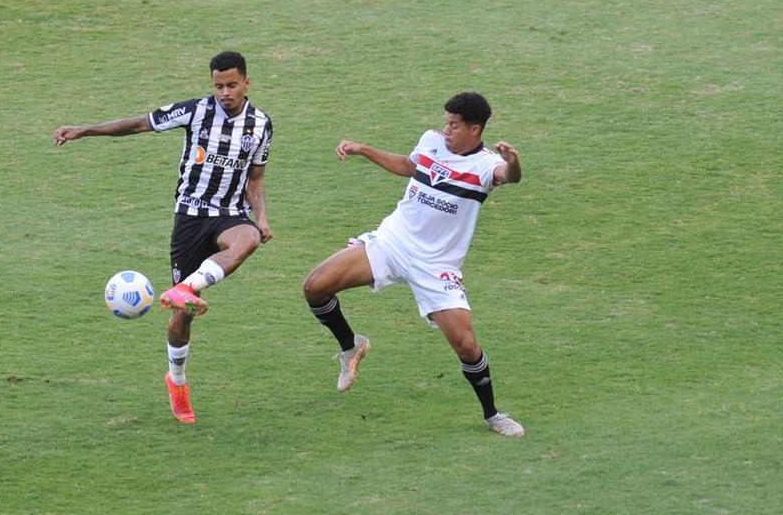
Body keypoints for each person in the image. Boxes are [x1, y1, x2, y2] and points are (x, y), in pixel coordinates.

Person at [53, 51, 273, 424]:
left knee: (248, 238)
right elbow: (140, 124)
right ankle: (177, 381)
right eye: (218, 85)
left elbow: (255, 178)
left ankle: (188, 287)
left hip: (229, 215)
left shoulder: (261, 125)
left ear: (247, 83)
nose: (224, 92)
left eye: (231, 85)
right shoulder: (195, 111)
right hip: (189, 218)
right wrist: (85, 130)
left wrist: (262, 217)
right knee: (182, 315)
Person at [301, 92, 526, 437]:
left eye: (454, 125)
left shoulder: (484, 166)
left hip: (436, 266)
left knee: (466, 345)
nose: (446, 129)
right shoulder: (431, 141)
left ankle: (493, 414)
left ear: (475, 129)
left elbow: (508, 176)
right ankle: (351, 346)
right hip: (393, 242)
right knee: (314, 286)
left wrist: (513, 162)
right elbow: (409, 165)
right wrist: (364, 149)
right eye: (446, 122)